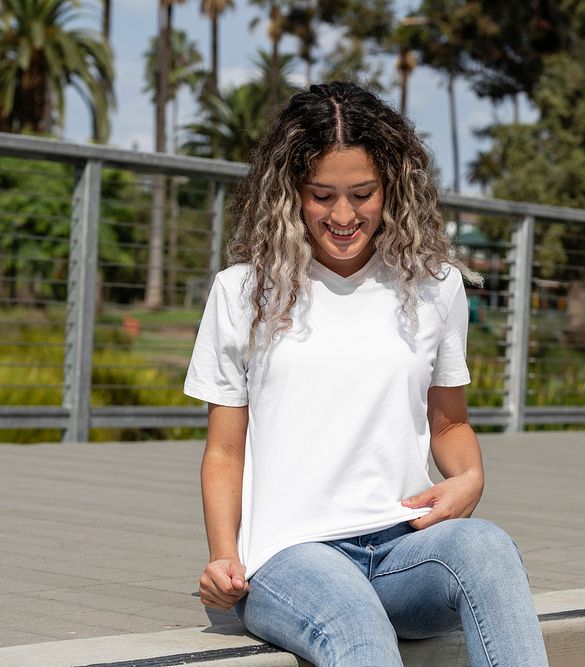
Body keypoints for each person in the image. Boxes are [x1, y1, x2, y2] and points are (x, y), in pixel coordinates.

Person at [184, 81, 548, 667]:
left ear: (392, 187)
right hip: (291, 556)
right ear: (289, 192)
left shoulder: (434, 287)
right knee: (358, 628)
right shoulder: (243, 292)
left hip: (402, 548)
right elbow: (224, 452)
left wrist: (471, 479)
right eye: (322, 195)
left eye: (363, 193)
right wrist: (224, 555)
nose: (345, 215)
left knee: (489, 550)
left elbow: (449, 423)